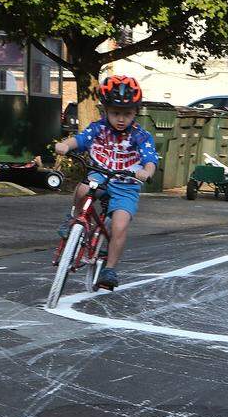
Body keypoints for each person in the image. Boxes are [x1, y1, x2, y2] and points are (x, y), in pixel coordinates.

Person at [54, 75, 157, 290]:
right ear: (105, 111)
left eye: (127, 114)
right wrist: (66, 144)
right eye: (115, 113)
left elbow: (150, 159)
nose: (121, 119)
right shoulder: (98, 128)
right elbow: (80, 140)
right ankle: (75, 219)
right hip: (100, 174)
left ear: (135, 112)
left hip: (126, 184)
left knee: (120, 225)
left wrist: (146, 171)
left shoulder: (141, 136)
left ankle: (109, 269)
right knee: (83, 188)